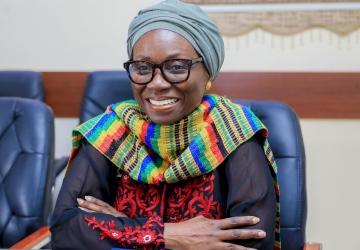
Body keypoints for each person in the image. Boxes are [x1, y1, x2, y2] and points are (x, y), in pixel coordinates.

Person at [50, 0, 280, 249]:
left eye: (177, 67)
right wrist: (168, 236)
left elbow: (252, 243)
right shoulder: (110, 131)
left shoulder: (233, 131)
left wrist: (125, 228)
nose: (157, 83)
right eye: (142, 67)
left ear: (209, 74)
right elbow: (66, 231)